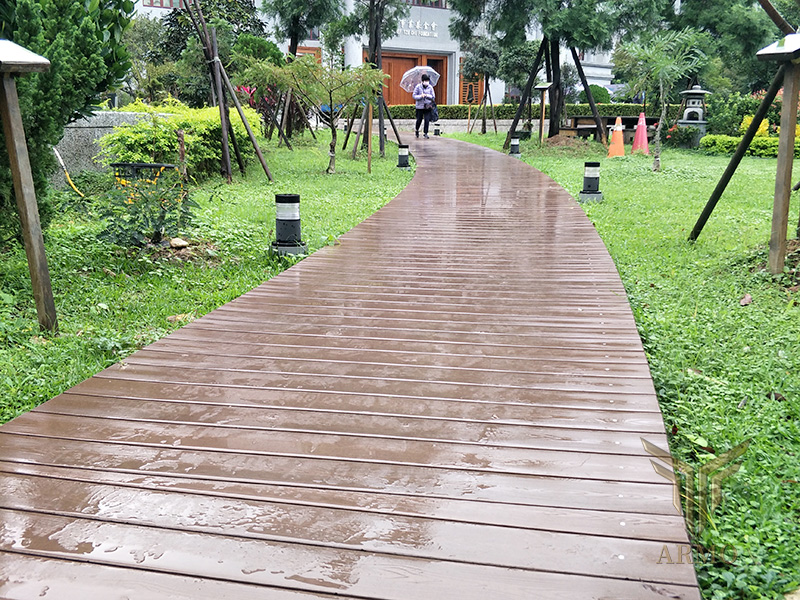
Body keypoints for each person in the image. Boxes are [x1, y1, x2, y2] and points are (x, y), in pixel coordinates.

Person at [412, 74, 435, 139]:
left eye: (427, 81)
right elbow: (414, 96)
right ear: (422, 81)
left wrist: (427, 95)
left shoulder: (430, 87)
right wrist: (420, 96)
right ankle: (417, 129)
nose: (426, 82)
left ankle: (425, 133)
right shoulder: (418, 87)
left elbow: (433, 97)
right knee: (419, 119)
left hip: (427, 106)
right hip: (420, 106)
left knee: (427, 120)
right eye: (425, 80)